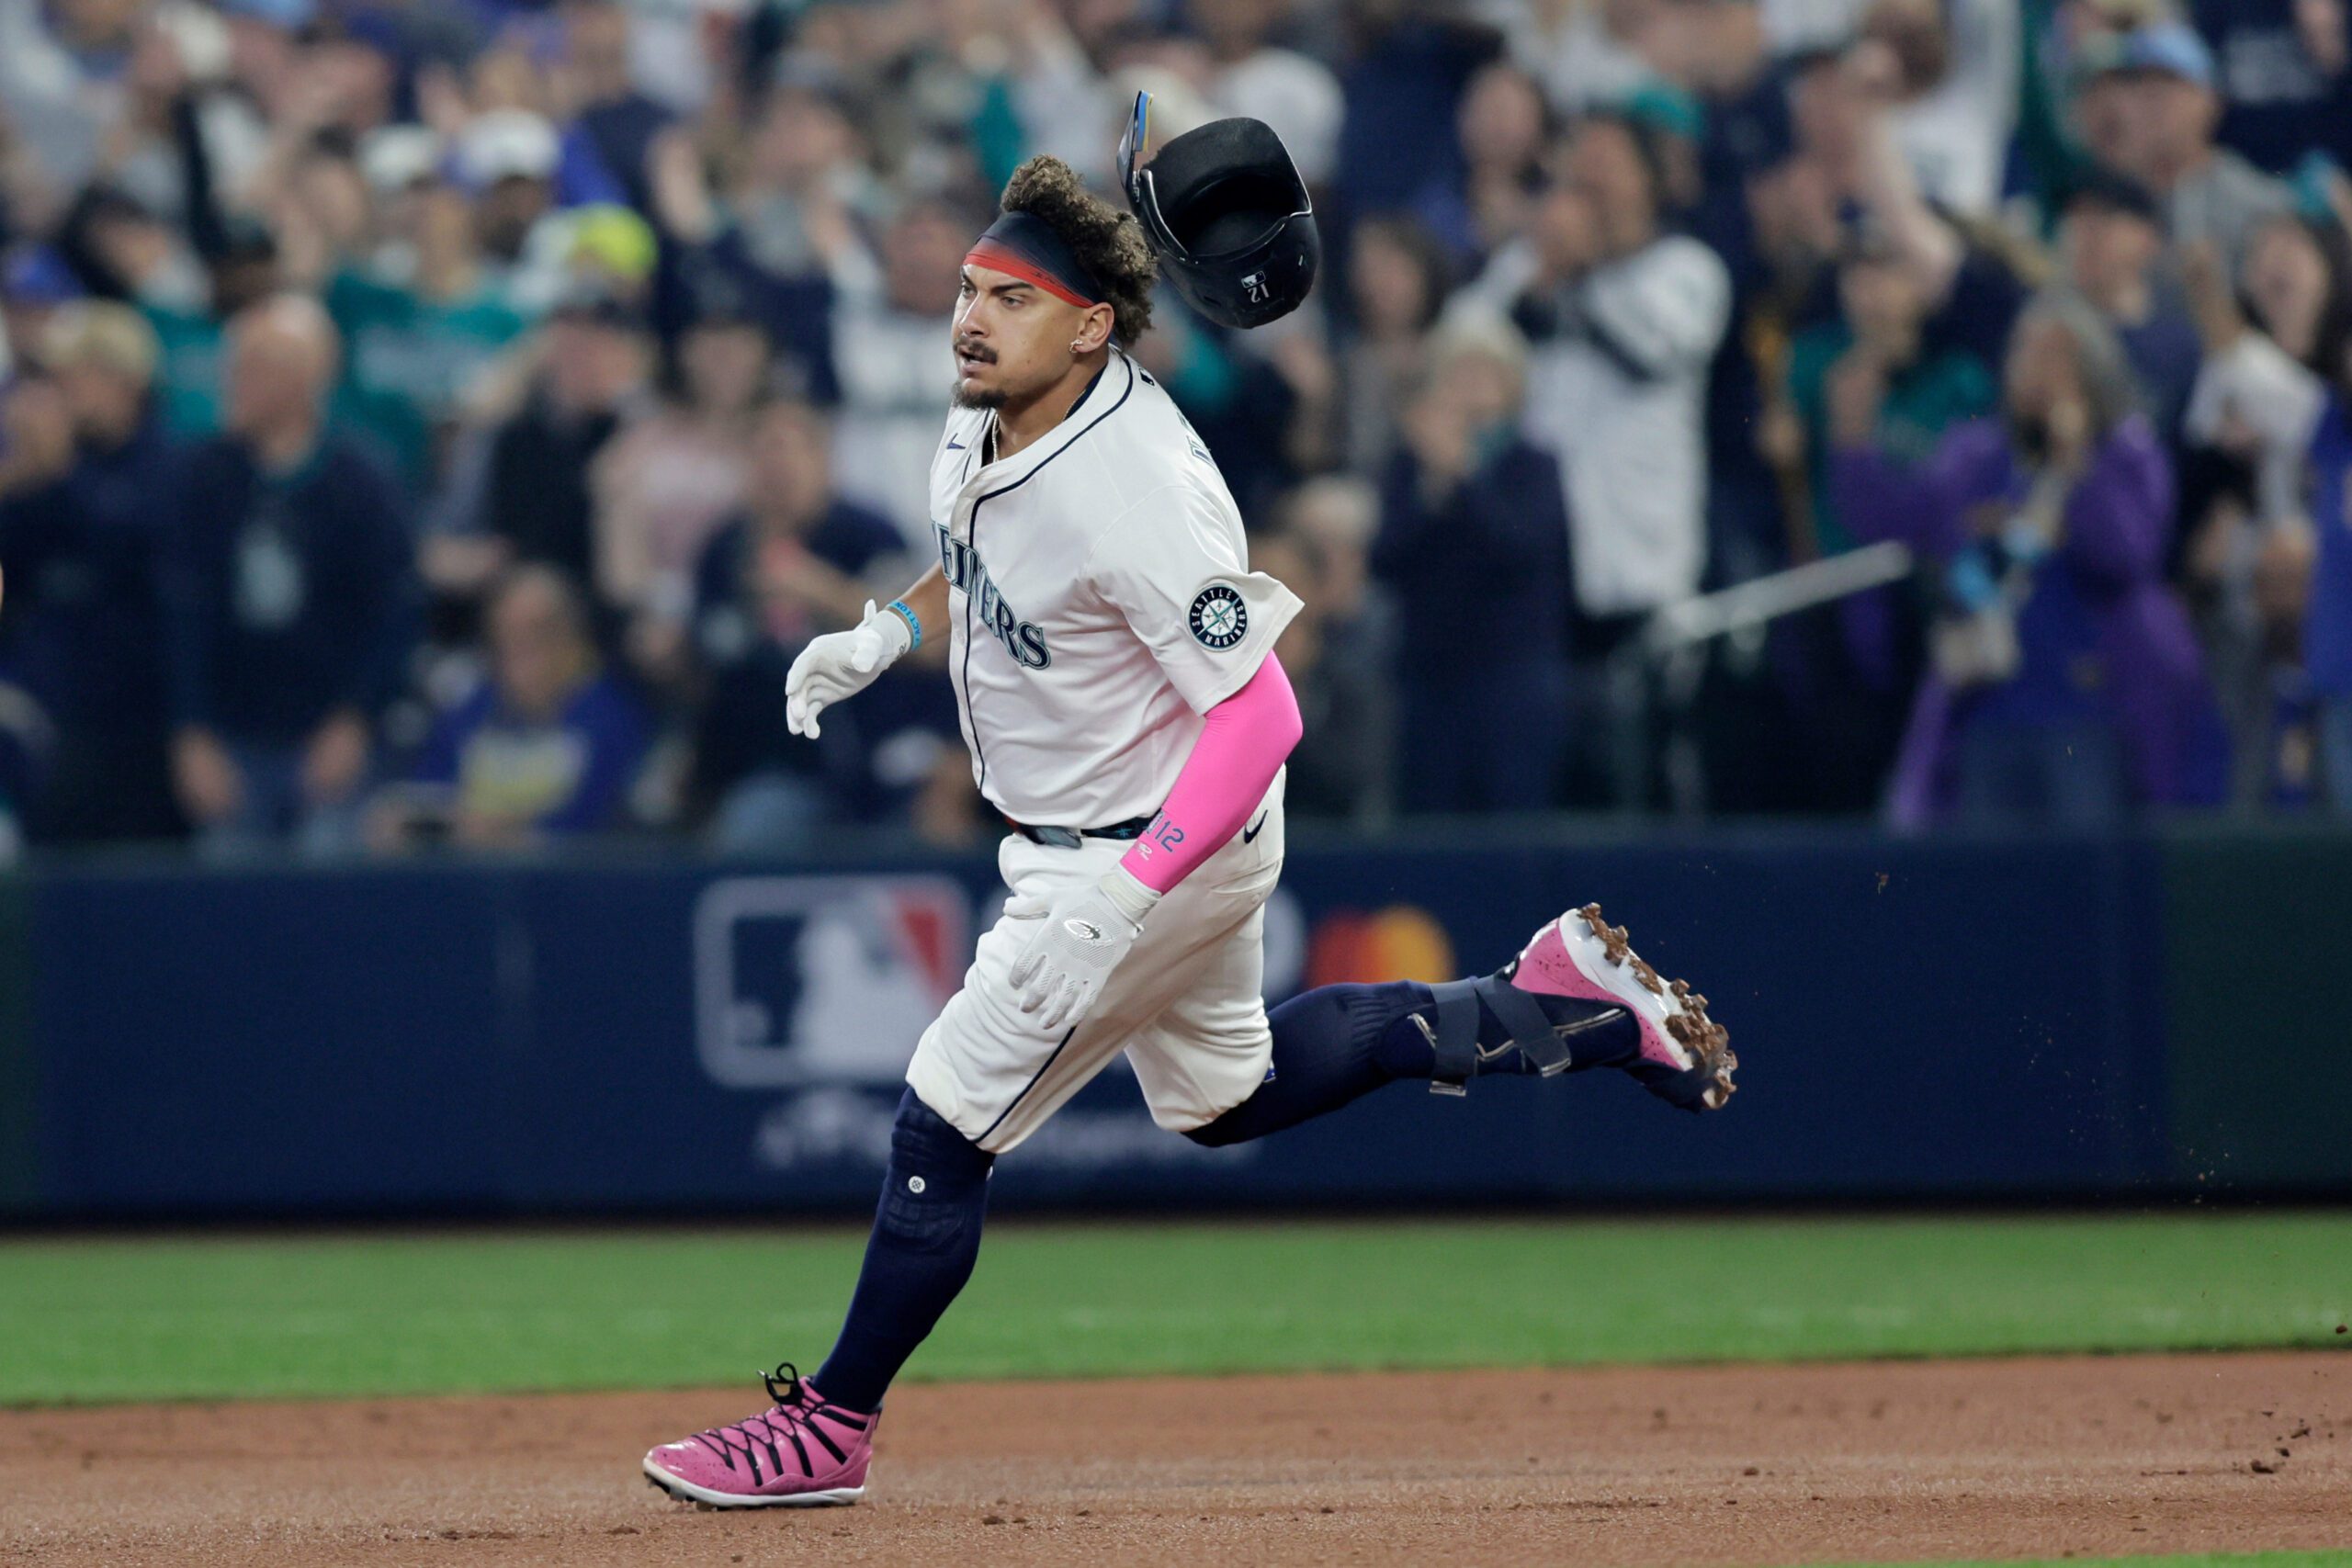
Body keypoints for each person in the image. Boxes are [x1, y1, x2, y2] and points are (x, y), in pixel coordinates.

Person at [640, 150, 1736, 1509]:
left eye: (1013, 299)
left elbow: (1265, 712)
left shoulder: (1142, 485)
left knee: (944, 1118)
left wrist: (1126, 889)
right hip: (1134, 834)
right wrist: (884, 630)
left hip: (1146, 842)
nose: (973, 319)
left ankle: (831, 1423)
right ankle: (1558, 1004)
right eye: (972, 291)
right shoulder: (987, 406)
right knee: (1230, 1093)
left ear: (1091, 323)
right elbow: (975, 565)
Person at [1831, 293, 2222, 828]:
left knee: (2083, 883)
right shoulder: (1978, 457)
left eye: (2057, 355)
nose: (2038, 369)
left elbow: (2124, 557)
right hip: (1989, 706)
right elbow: (1896, 521)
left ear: (2093, 370)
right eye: (2026, 351)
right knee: (1995, 886)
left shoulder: (2126, 455)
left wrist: (2073, 455)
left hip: (2087, 709)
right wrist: (1852, 441)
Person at [164, 294, 417, 855]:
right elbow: (181, 612)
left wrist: (355, 718)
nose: (235, 381)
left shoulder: (362, 482)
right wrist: (192, 730)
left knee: (328, 896)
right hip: (232, 738)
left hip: (329, 736)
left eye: (254, 367)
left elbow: (393, 612)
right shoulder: (202, 479)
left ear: (305, 377)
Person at [0, 301, 181, 841]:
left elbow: (126, 543)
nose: (58, 394)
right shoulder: (55, 470)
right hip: (56, 710)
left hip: (141, 722)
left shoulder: (170, 467)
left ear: (120, 380)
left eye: (70, 378)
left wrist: (53, 470)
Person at [370, 564, 649, 849]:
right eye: (505, 640)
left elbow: (593, 822)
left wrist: (500, 830)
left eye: (536, 637)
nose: (518, 656)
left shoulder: (611, 718)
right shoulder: (471, 714)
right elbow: (429, 795)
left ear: (573, 637)